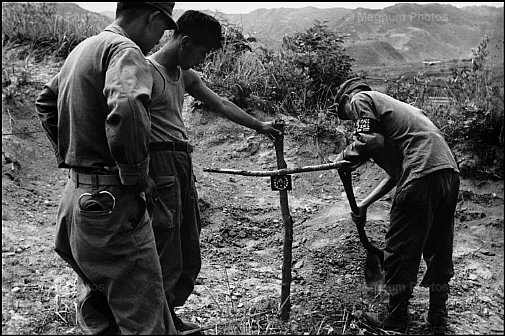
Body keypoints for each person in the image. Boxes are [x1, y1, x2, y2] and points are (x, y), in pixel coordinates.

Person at [35, 2, 180, 334]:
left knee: (100, 313)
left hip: (76, 202)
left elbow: (46, 101)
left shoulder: (83, 48)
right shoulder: (125, 50)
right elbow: (128, 107)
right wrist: (136, 175)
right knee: (143, 317)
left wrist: (71, 155)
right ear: (153, 17)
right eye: (162, 29)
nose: (159, 39)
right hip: (112, 203)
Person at [145, 10, 281, 334]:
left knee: (188, 244)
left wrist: (260, 125)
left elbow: (220, 103)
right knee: (166, 246)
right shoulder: (146, 71)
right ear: (186, 41)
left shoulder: (184, 75)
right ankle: (160, 324)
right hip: (159, 164)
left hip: (181, 163)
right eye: (203, 52)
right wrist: (141, 174)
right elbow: (126, 122)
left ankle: (169, 316)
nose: (203, 60)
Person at [333, 77, 460, 335]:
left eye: (348, 118)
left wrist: (343, 157)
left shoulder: (360, 99)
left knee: (400, 249)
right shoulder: (398, 112)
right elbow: (395, 174)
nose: (352, 123)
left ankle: (395, 320)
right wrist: (365, 204)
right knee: (439, 245)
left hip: (421, 172)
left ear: (345, 100)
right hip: (448, 172)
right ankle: (438, 318)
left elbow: (370, 142)